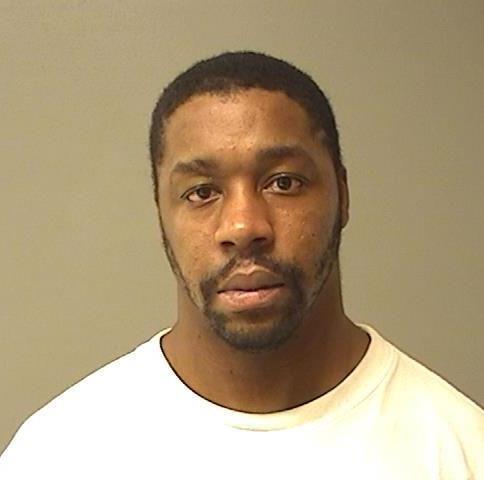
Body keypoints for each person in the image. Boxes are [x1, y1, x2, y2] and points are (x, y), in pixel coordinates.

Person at [1, 51, 483, 479]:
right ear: (161, 213)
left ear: (343, 193)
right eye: (202, 192)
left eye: (284, 183)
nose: (243, 225)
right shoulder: (56, 456)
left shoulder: (463, 452)